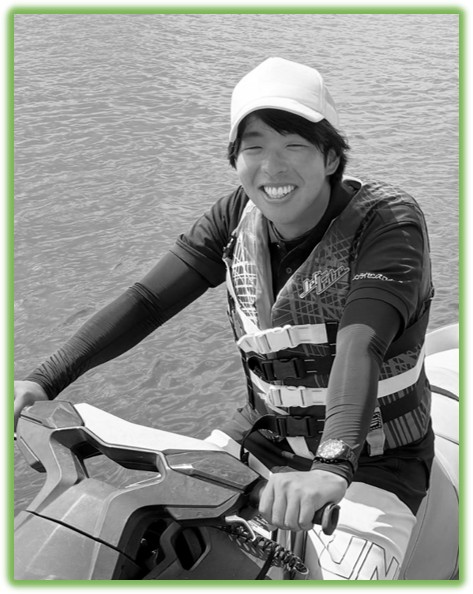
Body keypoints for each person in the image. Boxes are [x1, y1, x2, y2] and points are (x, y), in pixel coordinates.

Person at [14, 57, 435, 580]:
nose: (272, 168)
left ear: (330, 157)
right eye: (254, 148)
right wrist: (41, 380)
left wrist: (330, 468)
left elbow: (361, 342)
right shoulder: (235, 215)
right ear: (235, 158)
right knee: (137, 544)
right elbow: (147, 302)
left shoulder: (388, 224)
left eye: (294, 146)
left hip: (374, 466)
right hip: (259, 439)